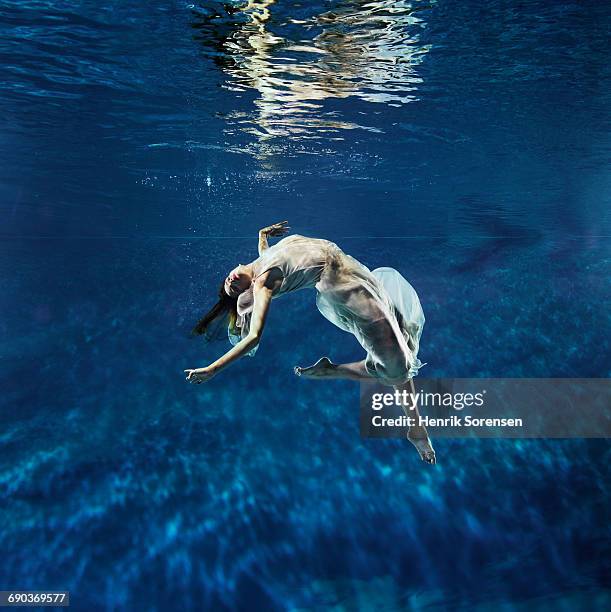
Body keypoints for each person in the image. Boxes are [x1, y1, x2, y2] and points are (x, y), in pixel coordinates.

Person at [185, 221, 435, 463]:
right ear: (249, 290)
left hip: (348, 268)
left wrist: (262, 235)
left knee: (399, 334)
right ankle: (414, 427)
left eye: (228, 282)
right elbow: (253, 337)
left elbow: (272, 256)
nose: (230, 283)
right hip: (345, 290)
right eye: (235, 289)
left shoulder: (265, 257)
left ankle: (408, 421)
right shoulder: (262, 283)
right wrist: (212, 369)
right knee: (398, 365)